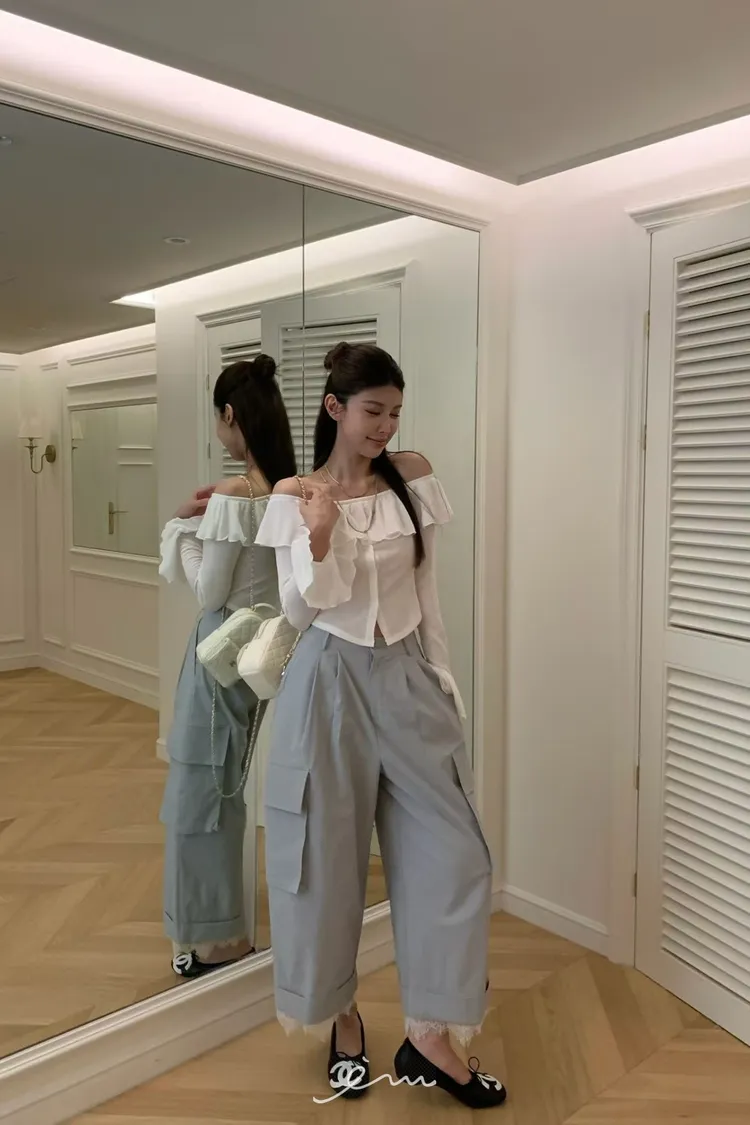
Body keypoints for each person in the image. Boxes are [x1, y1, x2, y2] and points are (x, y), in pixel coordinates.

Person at [253, 342, 506, 1109]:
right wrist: (319, 533)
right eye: (373, 411)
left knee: (457, 856)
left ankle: (429, 1034)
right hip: (325, 681)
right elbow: (300, 610)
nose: (385, 426)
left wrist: (445, 688)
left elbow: (427, 592)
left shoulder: (412, 478)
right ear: (335, 407)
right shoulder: (294, 495)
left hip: (406, 677)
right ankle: (344, 1020)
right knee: (323, 862)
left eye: (394, 411)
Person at [158, 354, 296, 979]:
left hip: (218, 652)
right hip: (260, 653)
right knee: (226, 787)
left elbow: (210, 592)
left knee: (202, 792)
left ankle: (217, 940)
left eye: (218, 417)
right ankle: (225, 927)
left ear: (231, 415)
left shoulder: (235, 495)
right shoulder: (287, 491)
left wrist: (181, 532)